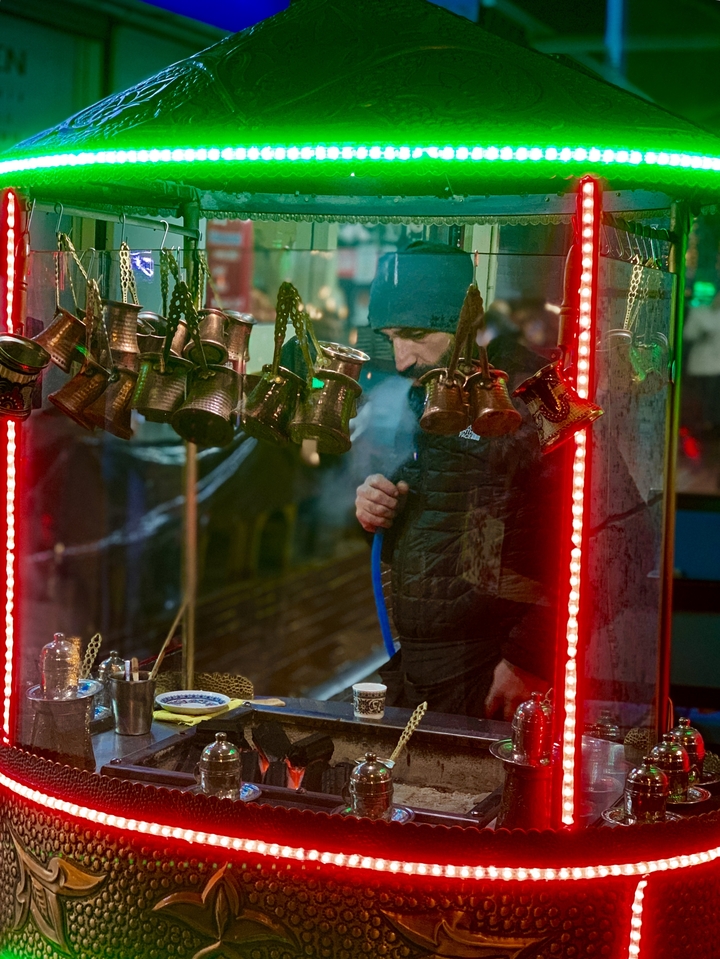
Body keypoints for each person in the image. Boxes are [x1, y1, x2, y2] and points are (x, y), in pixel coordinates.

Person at [355, 242, 565, 720]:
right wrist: (378, 507)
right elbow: (446, 514)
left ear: (464, 321)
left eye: (414, 334)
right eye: (389, 339)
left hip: (494, 666)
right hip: (424, 664)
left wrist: (530, 657)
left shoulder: (537, 389)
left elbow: (609, 535)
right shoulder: (428, 391)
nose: (402, 358)